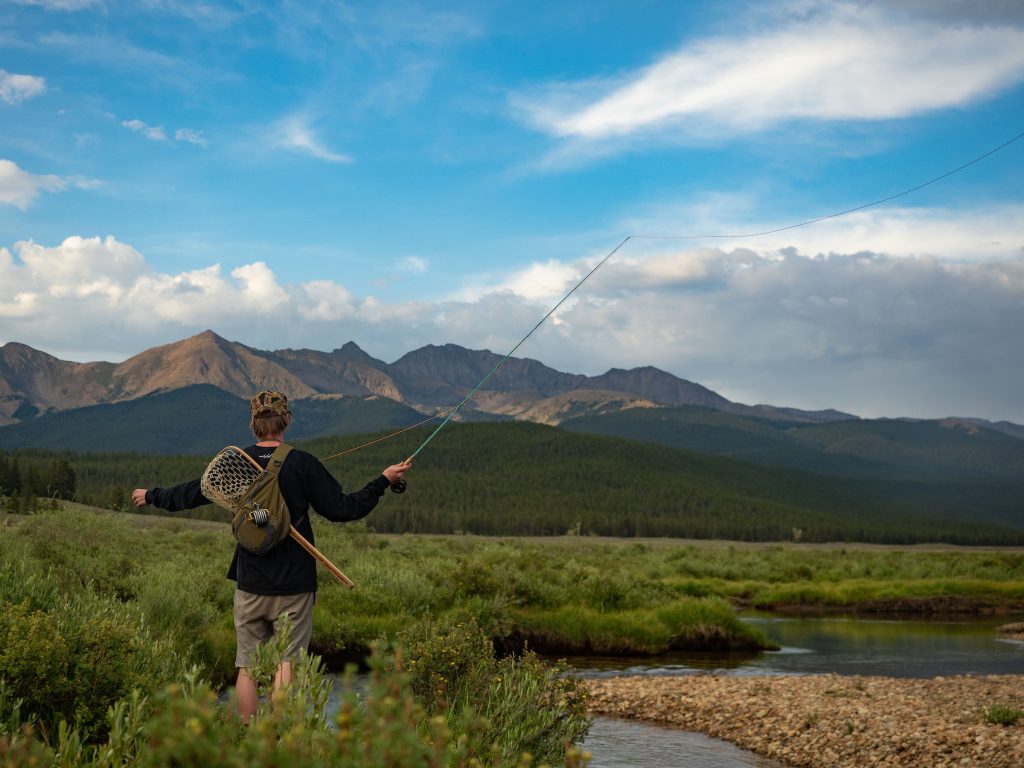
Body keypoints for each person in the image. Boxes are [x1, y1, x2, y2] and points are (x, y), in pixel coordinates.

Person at [131, 390, 410, 723]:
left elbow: (194, 492)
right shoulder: (304, 463)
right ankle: (278, 738)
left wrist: (153, 495)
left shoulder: (236, 463)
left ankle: (249, 736)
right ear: (287, 420)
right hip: (295, 585)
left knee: (247, 666)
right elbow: (343, 509)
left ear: (253, 424)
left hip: (250, 583)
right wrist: (382, 481)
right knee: (286, 663)